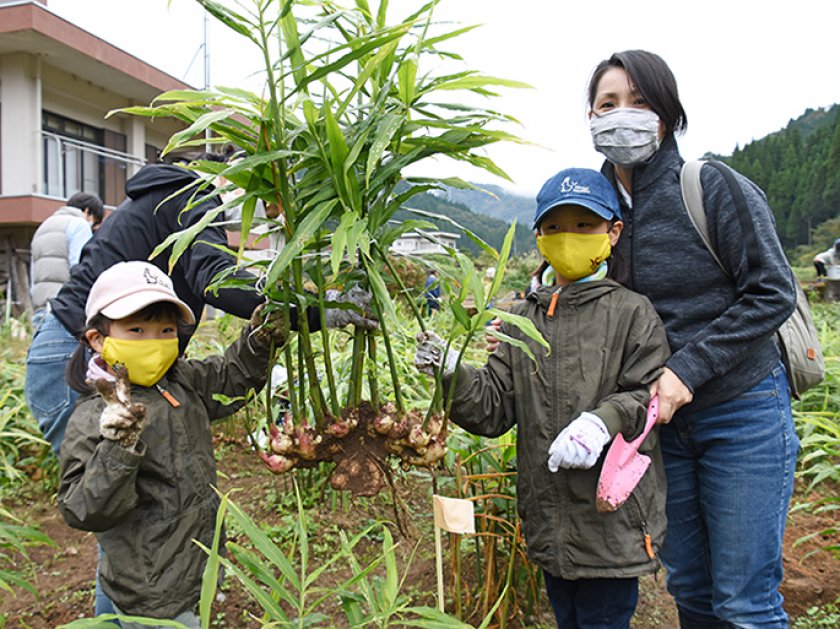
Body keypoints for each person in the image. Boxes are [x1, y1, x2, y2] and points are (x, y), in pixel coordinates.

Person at [24, 156, 375, 617]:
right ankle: (144, 612)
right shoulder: (194, 194)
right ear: (230, 177)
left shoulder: (161, 202)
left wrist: (266, 332)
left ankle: (156, 604)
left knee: (137, 516)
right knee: (122, 517)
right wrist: (312, 309)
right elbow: (214, 277)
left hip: (77, 348)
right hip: (81, 360)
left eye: (167, 328)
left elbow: (225, 376)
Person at [585, 50, 798, 628]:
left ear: (668, 115)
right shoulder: (592, 211)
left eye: (640, 102)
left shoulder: (710, 185)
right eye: (608, 104)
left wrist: (687, 370)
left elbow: (773, 291)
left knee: (746, 603)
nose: (622, 115)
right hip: (660, 429)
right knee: (694, 592)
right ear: (590, 118)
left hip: (742, 411)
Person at [417, 168, 671, 629]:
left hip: (609, 519)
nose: (567, 238)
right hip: (549, 518)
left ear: (612, 232)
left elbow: (647, 397)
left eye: (583, 226)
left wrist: (602, 421)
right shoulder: (524, 318)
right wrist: (452, 372)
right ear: (539, 237)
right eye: (554, 228)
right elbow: (493, 408)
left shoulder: (634, 313)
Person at [56, 261, 284, 628]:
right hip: (151, 591)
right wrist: (118, 447)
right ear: (98, 338)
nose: (154, 342)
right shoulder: (96, 416)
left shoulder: (180, 380)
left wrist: (260, 339)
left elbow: (229, 376)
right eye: (136, 329)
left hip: (193, 567)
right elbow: (81, 508)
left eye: (165, 330)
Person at [29, 192, 104, 328]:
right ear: (87, 211)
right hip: (64, 309)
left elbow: (33, 273)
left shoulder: (43, 227)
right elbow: (81, 268)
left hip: (40, 307)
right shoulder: (79, 224)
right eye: (95, 223)